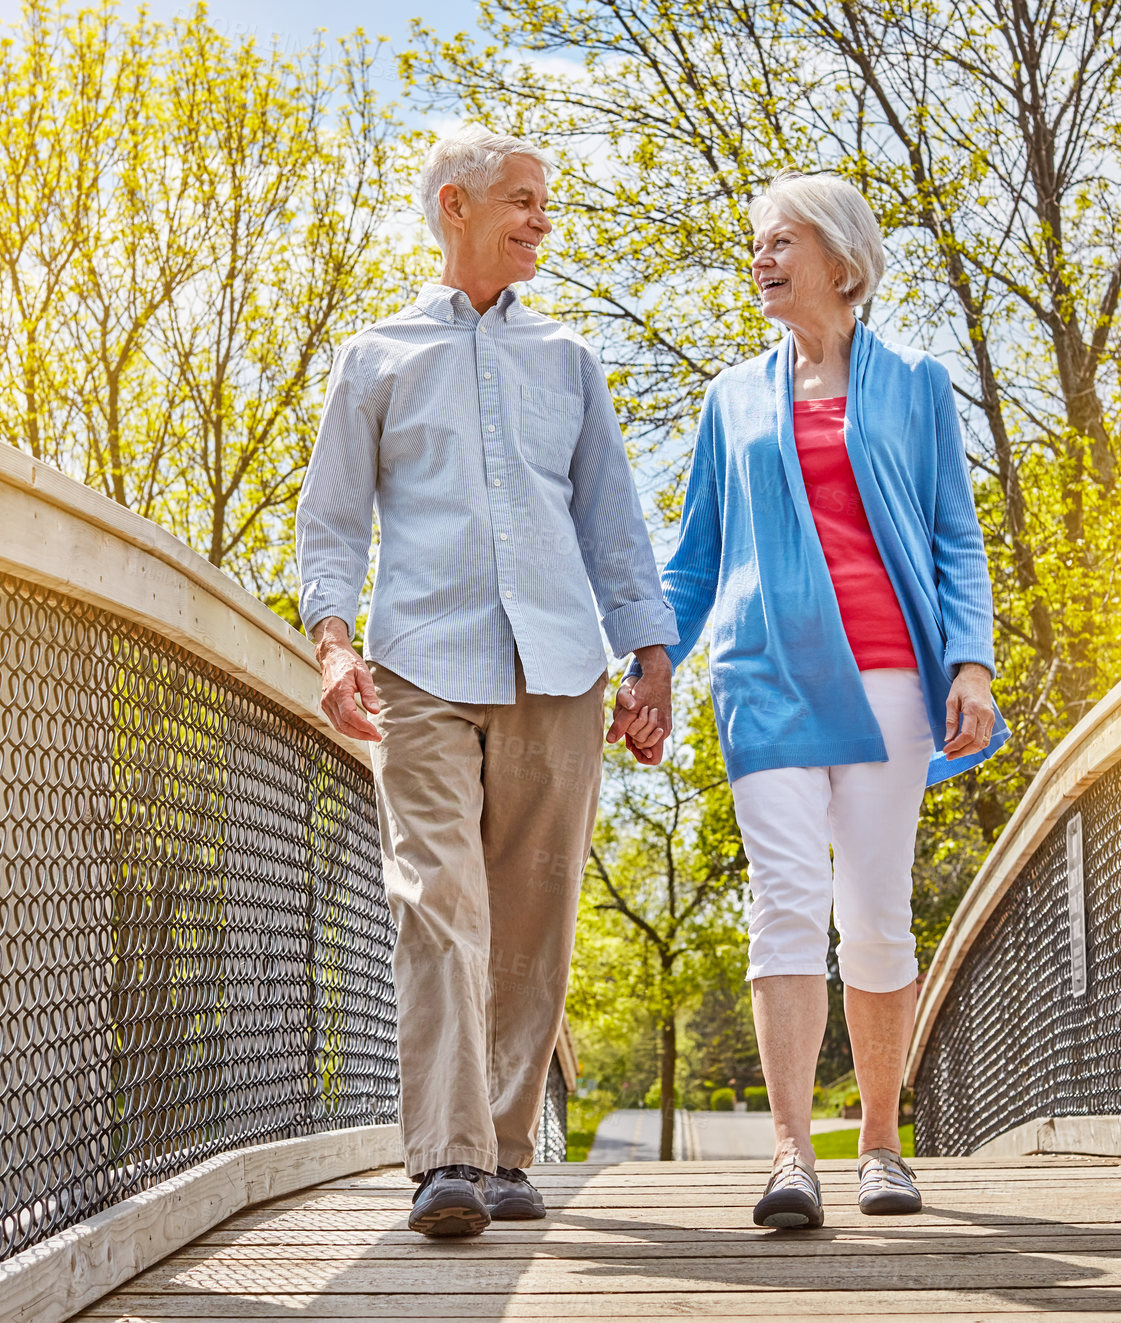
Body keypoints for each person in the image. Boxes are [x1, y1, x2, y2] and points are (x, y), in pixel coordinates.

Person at [296, 124, 677, 1238]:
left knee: (531, 919)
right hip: (420, 664)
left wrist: (648, 658)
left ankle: (508, 1154)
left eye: (544, 202)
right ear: (453, 205)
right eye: (519, 200)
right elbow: (331, 522)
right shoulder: (375, 356)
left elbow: (614, 524)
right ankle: (448, 1157)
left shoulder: (567, 360)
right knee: (436, 902)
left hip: (556, 668)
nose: (540, 220)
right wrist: (331, 641)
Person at [612, 171, 1008, 1227]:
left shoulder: (916, 382)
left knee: (873, 913)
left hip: (887, 677)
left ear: (840, 259)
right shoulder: (730, 397)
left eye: (780, 240)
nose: (760, 258)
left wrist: (968, 659)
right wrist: (651, 662)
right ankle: (792, 1156)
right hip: (764, 675)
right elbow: (693, 559)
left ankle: (880, 1145)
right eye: (755, 243)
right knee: (783, 899)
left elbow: (953, 539)